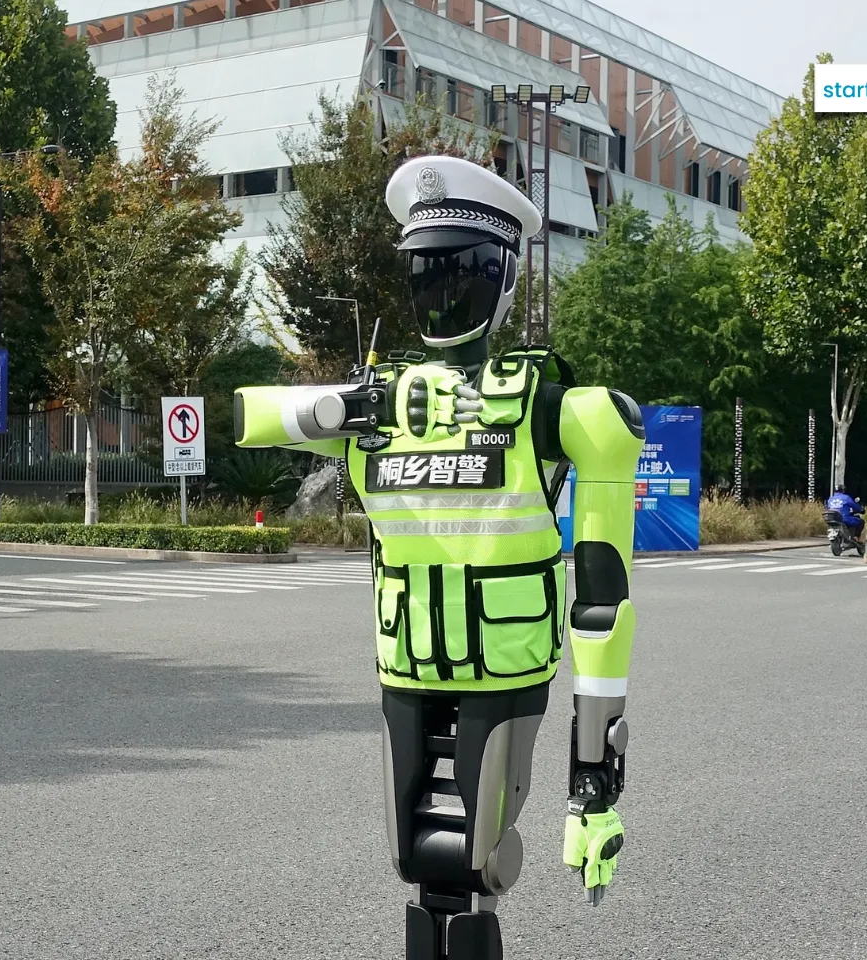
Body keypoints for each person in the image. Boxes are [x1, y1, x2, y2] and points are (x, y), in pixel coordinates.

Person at [234, 155, 643, 959]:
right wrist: (353, 403)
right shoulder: (377, 408)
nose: (440, 294)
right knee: (414, 864)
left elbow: (601, 598)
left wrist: (594, 782)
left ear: (504, 283)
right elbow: (252, 415)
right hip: (407, 665)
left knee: (481, 862)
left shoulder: (561, 411)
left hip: (504, 664)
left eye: (460, 272)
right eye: (424, 274)